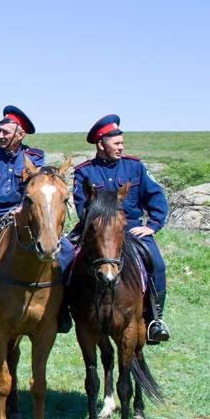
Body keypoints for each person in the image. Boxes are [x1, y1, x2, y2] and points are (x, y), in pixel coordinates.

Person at [0, 106, 73, 333]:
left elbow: (40, 191)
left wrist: (22, 209)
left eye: (6, 132)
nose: (0, 135)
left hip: (27, 218)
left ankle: (62, 309)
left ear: (20, 134)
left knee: (67, 251)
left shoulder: (36, 159)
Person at [73, 114, 170, 343]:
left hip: (132, 229)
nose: (121, 147)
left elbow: (156, 198)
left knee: (156, 262)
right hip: (95, 232)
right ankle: (64, 312)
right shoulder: (84, 171)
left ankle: (154, 318)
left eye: (122, 142)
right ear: (101, 144)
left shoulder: (135, 166)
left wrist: (152, 226)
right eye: (116, 143)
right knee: (65, 258)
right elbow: (81, 207)